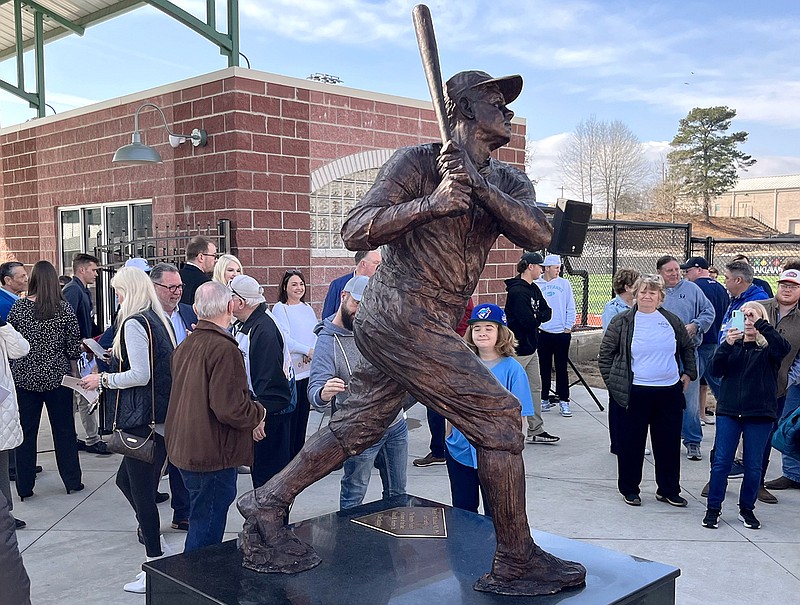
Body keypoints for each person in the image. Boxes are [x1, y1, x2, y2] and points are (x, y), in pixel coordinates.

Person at [238, 70, 586, 596]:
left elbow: (538, 231)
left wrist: (478, 188)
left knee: (358, 424)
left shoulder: (509, 180)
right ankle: (516, 558)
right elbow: (355, 226)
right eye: (496, 102)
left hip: (438, 317)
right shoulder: (418, 163)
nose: (508, 112)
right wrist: (434, 201)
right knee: (500, 418)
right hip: (400, 310)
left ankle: (268, 501)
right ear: (465, 109)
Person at [79, 267, 177, 593]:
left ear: (129, 292)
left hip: (142, 422)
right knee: (128, 482)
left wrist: (102, 379)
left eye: (119, 292)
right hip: (155, 420)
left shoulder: (135, 322)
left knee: (142, 493)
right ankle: (155, 542)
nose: (117, 298)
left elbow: (141, 374)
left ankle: (154, 560)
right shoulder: (156, 319)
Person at [166, 281, 266, 552]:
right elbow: (230, 408)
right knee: (206, 533)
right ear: (231, 306)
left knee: (202, 521)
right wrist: (259, 412)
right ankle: (194, 587)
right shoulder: (224, 349)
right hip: (211, 456)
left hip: (187, 450)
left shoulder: (186, 345)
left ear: (196, 309)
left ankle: (191, 581)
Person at [309, 275, 407, 510]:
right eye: (357, 303)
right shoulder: (327, 341)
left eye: (368, 305)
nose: (361, 311)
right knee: (354, 496)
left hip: (394, 426)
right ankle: (349, 545)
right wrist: (324, 392)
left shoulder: (377, 327)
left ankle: (393, 543)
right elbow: (314, 391)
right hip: (358, 431)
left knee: (398, 494)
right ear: (343, 297)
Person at [599, 274, 696, 508]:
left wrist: (688, 373)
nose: (647, 296)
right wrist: (615, 384)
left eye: (652, 292)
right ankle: (630, 489)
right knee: (631, 444)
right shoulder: (622, 321)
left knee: (668, 444)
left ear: (660, 297)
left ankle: (669, 489)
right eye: (643, 291)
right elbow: (605, 355)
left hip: (668, 392)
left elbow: (687, 348)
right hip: (635, 392)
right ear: (635, 294)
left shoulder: (671, 321)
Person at [702, 301, 789, 530]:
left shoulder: (768, 349)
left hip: (759, 413)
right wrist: (728, 344)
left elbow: (783, 347)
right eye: (743, 316)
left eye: (753, 317)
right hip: (730, 411)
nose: (748, 320)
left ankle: (747, 509)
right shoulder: (732, 346)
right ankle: (713, 508)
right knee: (721, 463)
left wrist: (759, 323)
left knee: (753, 465)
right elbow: (715, 370)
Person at [447, 303, 534, 514]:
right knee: (463, 509)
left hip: (496, 454)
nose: (482, 333)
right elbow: (450, 407)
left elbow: (520, 416)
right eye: (476, 328)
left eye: (489, 327)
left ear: (501, 332)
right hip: (460, 450)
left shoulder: (513, 370)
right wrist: (448, 436)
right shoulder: (461, 366)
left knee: (496, 510)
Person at [8, 260, 83, 499]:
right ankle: (72, 481)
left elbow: (9, 341)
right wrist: (75, 372)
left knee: (26, 434)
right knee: (64, 431)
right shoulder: (63, 308)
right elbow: (73, 344)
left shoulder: (19, 308)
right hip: (57, 378)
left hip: (24, 377)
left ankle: (24, 486)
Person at [230, 275, 296, 489]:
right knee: (263, 477)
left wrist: (259, 417)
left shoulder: (263, 329)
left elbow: (270, 385)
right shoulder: (250, 323)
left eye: (229, 296)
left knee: (270, 482)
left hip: (271, 418)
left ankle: (273, 522)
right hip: (263, 412)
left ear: (241, 302)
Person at [150, 263, 198, 532]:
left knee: (182, 458)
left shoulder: (190, 313)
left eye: (179, 286)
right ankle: (145, 518)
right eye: (170, 287)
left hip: (187, 398)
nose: (177, 292)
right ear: (154, 288)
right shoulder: (144, 317)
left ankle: (183, 512)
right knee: (151, 462)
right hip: (157, 400)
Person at [657, 255, 714, 461]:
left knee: (689, 401)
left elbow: (709, 311)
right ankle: (666, 439)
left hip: (688, 353)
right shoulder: (656, 293)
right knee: (663, 400)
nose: (674, 274)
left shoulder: (692, 290)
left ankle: (692, 441)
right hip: (661, 355)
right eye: (669, 271)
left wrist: (696, 325)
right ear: (660, 273)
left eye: (676, 270)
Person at [412, 299, 474, 467]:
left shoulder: (451, 290)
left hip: (447, 349)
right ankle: (441, 448)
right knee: (436, 401)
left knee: (437, 401)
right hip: (442, 347)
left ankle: (441, 450)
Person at [504, 252, 557, 444]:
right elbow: (526, 321)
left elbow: (547, 311)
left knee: (536, 387)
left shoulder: (534, 288)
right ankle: (509, 427)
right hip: (518, 350)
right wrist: (537, 319)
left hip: (531, 348)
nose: (542, 270)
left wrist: (537, 319)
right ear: (530, 267)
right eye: (540, 266)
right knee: (512, 391)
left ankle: (536, 428)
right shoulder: (517, 292)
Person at [758, 269, 800, 504]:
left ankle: (757, 483)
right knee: (732, 435)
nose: (787, 289)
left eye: (793, 286)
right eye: (784, 284)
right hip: (747, 387)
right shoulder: (757, 306)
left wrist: (788, 378)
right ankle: (717, 479)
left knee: (767, 436)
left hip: (778, 390)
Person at [62, 253, 110, 456]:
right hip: (78, 352)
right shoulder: (73, 290)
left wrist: (99, 340)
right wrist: (79, 346)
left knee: (82, 396)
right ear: (82, 270)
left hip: (86, 348)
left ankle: (81, 437)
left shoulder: (81, 290)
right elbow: (67, 322)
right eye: (93, 270)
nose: (96, 275)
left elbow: (87, 321)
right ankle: (91, 438)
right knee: (84, 395)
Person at [272, 270, 318, 459]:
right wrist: (306, 351)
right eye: (294, 284)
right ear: (285, 287)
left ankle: (299, 455)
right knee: (290, 418)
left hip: (308, 371)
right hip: (293, 372)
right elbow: (285, 339)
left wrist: (313, 350)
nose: (299, 288)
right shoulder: (280, 309)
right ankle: (288, 457)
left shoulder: (307, 308)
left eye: (301, 284)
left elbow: (315, 332)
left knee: (303, 417)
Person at [681, 257, 729, 424]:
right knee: (718, 385)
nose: (686, 274)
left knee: (691, 387)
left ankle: (690, 426)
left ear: (699, 270)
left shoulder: (694, 288)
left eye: (688, 270)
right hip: (717, 342)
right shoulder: (721, 288)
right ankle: (730, 415)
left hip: (700, 343)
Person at [601, 268, 640, 455]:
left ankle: (631, 441)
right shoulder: (613, 308)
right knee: (617, 404)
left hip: (636, 362)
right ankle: (617, 443)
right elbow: (610, 337)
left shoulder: (639, 307)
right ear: (627, 287)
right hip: (618, 362)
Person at [536, 254, 576, 417]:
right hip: (543, 332)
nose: (558, 270)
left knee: (561, 368)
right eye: (555, 267)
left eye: (559, 267)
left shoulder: (564, 284)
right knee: (543, 367)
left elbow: (570, 306)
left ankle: (564, 401)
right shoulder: (537, 284)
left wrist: (568, 327)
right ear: (546, 268)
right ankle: (544, 397)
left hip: (561, 333)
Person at [0, 312, 30, 530]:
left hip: (2, 409)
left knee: (1, 465)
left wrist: (4, 326)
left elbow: (21, 349)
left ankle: (5, 515)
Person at [321, 250, 381, 320]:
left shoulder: (380, 286)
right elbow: (327, 316)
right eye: (376, 263)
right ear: (363, 264)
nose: (380, 267)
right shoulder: (338, 285)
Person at [179, 236, 216, 304]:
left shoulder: (177, 276)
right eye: (213, 255)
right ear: (201, 257)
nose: (215, 260)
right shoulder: (205, 283)